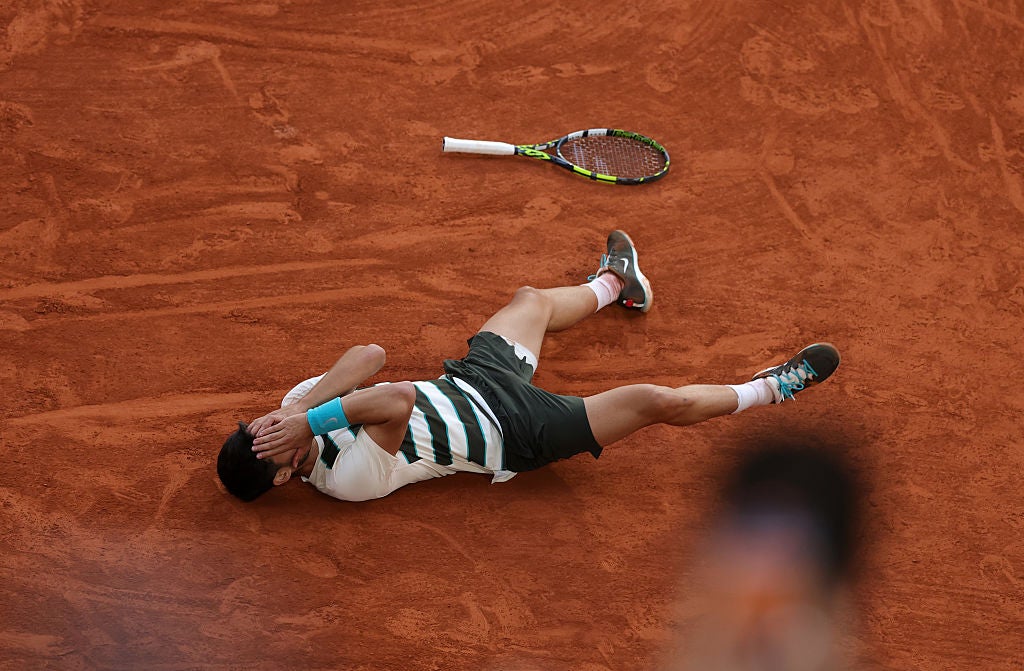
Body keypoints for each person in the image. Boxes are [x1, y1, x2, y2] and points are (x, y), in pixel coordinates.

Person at [216, 231, 841, 503]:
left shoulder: (297, 411)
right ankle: (770, 389)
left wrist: (297, 409)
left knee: (529, 301)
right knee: (656, 401)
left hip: (471, 380)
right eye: (268, 442)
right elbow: (395, 396)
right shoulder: (345, 480)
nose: (271, 429)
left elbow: (370, 358)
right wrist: (311, 423)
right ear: (281, 477)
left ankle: (614, 283)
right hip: (514, 434)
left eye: (261, 425)